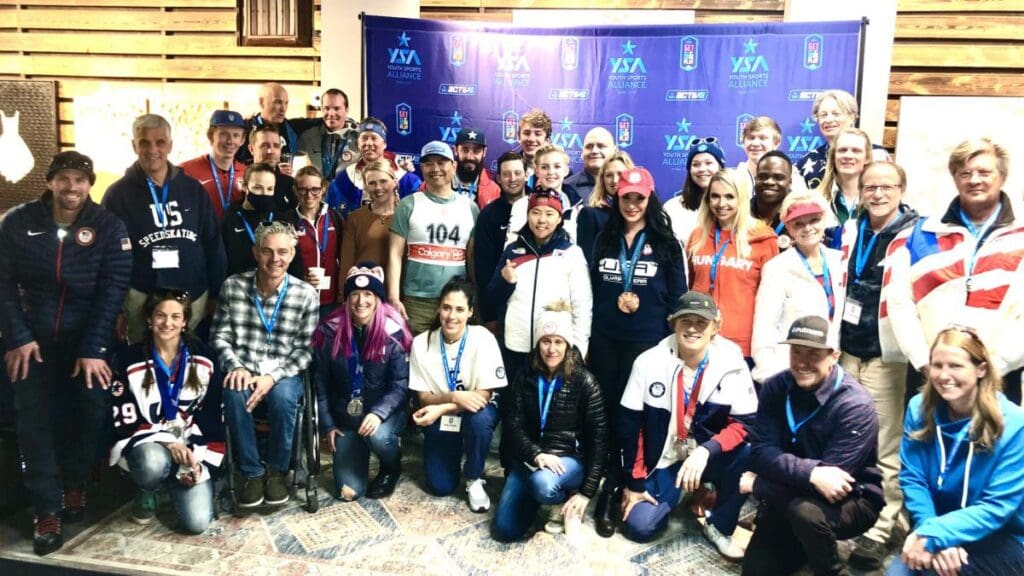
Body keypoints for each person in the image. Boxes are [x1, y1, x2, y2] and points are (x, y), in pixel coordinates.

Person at [0, 151, 132, 555]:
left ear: (90, 185)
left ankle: (74, 484)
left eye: (80, 180)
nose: (72, 187)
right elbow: (2, 284)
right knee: (34, 422)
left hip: (86, 339)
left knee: (89, 411)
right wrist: (18, 337)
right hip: (31, 341)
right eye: (64, 179)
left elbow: (113, 290)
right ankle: (46, 508)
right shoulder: (19, 222)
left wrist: (95, 347)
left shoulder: (108, 226)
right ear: (50, 181)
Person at [882, 137, 1024, 405]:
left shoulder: (1020, 238)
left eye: (984, 172)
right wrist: (926, 364)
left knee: (995, 446)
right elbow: (900, 305)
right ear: (955, 178)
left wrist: (996, 366)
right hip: (930, 376)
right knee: (927, 445)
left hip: (999, 379)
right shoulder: (919, 235)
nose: (974, 180)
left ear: (1002, 176)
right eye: (965, 173)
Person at [741, 315, 883, 576]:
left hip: (852, 499)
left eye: (814, 354)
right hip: (793, 493)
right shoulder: (775, 387)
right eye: (796, 351)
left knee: (806, 514)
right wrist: (812, 473)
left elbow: (831, 490)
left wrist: (760, 485)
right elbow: (759, 453)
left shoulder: (855, 406)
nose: (803, 362)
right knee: (755, 571)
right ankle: (802, 543)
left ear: (834, 356)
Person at [619, 292, 757, 559]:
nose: (693, 328)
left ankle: (720, 524)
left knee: (748, 452)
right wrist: (634, 482)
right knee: (639, 526)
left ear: (715, 327)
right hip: (667, 459)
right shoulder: (648, 362)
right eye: (685, 321)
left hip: (708, 456)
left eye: (701, 322)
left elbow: (747, 424)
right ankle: (685, 491)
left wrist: (707, 450)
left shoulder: (732, 363)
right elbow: (631, 426)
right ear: (673, 324)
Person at [589, 166, 688, 537]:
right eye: (625, 197)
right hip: (605, 342)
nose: (632, 204)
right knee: (609, 415)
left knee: (639, 417)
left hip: (649, 345)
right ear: (616, 199)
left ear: (650, 198)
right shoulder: (604, 238)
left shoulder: (665, 242)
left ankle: (632, 481)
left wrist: (673, 348)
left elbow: (679, 299)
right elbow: (591, 291)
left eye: (639, 198)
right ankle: (607, 484)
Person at [835, 162, 920, 570]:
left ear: (901, 188)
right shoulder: (853, 228)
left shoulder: (916, 233)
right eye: (870, 187)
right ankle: (850, 509)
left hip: (887, 354)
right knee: (848, 433)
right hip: (848, 347)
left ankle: (883, 526)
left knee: (886, 444)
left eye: (887, 186)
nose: (878, 194)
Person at [889, 327, 1024, 576]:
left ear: (981, 369)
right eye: (937, 365)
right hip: (934, 523)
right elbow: (913, 479)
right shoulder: (919, 409)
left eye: (956, 365)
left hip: (1001, 536)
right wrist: (932, 532)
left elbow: (997, 507)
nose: (944, 375)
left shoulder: (1014, 424)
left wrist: (937, 534)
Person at [211, 221, 319, 508]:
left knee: (284, 398)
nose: (275, 259)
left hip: (283, 373)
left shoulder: (306, 294)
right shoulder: (233, 287)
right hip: (243, 368)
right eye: (268, 251)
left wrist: (273, 376)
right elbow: (219, 336)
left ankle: (277, 470)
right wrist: (235, 366)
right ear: (256, 253)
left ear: (293, 254)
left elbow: (306, 350)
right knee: (233, 394)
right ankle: (251, 472)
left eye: (283, 252)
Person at [103, 113, 226, 344]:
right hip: (140, 297)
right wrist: (117, 307)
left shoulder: (193, 190)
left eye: (160, 142)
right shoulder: (117, 195)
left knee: (189, 361)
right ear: (134, 145)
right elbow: (108, 258)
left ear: (170, 145)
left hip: (193, 294)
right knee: (145, 360)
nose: (153, 150)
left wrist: (216, 293)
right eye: (144, 143)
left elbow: (212, 242)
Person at [107, 289, 223, 534]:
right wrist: (170, 444)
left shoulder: (206, 357)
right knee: (152, 464)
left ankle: (175, 480)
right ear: (149, 319)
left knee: (197, 524)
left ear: (184, 322)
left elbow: (212, 415)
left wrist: (196, 463)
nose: (167, 323)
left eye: (175, 316)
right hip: (151, 446)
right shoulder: (128, 358)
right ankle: (149, 487)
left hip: (190, 450)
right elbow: (124, 416)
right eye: (160, 315)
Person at [493, 301, 607, 542]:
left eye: (558, 341)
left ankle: (562, 500)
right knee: (505, 530)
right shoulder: (524, 375)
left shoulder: (585, 381)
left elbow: (599, 438)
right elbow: (513, 424)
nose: (551, 349)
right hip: (532, 460)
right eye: (546, 341)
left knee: (543, 484)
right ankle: (542, 498)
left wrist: (586, 493)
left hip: (568, 461)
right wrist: (536, 454)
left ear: (567, 344)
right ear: (537, 344)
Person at [311, 264, 412, 501]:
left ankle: (391, 466)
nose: (361, 301)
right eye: (354, 294)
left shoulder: (393, 331)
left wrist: (378, 413)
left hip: (383, 414)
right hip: (347, 417)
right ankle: (360, 448)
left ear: (378, 299)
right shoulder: (329, 331)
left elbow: (400, 385)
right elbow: (320, 382)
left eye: (368, 294)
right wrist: (327, 425)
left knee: (378, 436)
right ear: (346, 299)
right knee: (349, 491)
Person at [409, 277, 508, 512]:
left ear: (470, 312)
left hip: (476, 410)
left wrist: (446, 403)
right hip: (443, 416)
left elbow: (482, 396)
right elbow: (423, 398)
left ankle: (474, 477)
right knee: (440, 486)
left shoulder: (483, 337)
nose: (451, 316)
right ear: (438, 308)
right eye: (446, 307)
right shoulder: (421, 343)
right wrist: (455, 397)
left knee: (479, 420)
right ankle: (451, 455)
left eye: (460, 309)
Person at [490, 188, 592, 384]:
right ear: (528, 215)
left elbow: (582, 304)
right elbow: (492, 297)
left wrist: (579, 347)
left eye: (549, 213)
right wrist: (505, 282)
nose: (541, 220)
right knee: (515, 405)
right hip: (516, 345)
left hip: (553, 350)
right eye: (535, 212)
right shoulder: (513, 251)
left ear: (560, 218)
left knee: (550, 408)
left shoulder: (572, 253)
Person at [752, 191, 844, 383]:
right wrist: (771, 375)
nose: (807, 228)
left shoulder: (840, 261)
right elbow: (764, 327)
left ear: (825, 219)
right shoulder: (777, 268)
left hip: (831, 367)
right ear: (788, 227)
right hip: (792, 369)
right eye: (798, 223)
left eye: (814, 220)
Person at [387, 140, 478, 334]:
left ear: (453, 166)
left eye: (441, 162)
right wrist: (394, 297)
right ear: (421, 167)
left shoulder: (470, 207)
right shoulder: (407, 204)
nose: (435, 168)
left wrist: (475, 298)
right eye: (428, 163)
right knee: (416, 359)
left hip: (457, 301)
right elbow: (394, 255)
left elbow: (471, 258)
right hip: (417, 301)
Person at [687, 169, 778, 361]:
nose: (721, 204)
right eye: (715, 196)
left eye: (729, 197)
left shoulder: (764, 239)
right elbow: (691, 284)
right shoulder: (697, 236)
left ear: (742, 199)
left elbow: (771, 299)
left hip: (741, 343)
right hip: (700, 337)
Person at [473, 151, 529, 328]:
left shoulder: (540, 207)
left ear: (527, 175)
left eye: (517, 173)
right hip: (500, 304)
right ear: (498, 178)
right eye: (506, 174)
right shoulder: (488, 215)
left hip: (532, 299)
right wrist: (489, 314)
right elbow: (483, 270)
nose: (512, 179)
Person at [221, 162, 304, 278]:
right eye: (258, 188)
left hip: (277, 290)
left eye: (270, 189)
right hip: (239, 289)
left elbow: (295, 264)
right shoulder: (228, 221)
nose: (264, 194)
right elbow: (220, 263)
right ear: (245, 186)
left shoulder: (283, 221)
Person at [797, 89, 888, 191]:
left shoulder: (876, 154)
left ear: (852, 117)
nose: (829, 120)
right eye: (823, 115)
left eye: (836, 114)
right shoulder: (806, 161)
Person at [327, 117, 422, 215]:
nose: (368, 143)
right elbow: (331, 216)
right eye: (364, 138)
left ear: (384, 144)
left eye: (374, 138)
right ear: (358, 144)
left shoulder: (406, 180)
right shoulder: (344, 179)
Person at [339, 160, 399, 293]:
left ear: (394, 182)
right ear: (365, 187)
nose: (378, 187)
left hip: (399, 297)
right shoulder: (356, 218)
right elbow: (346, 263)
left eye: (383, 181)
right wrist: (343, 298)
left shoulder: (406, 216)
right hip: (363, 294)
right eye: (371, 183)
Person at [293, 165, 343, 317]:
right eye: (303, 189)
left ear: (323, 189)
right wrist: (300, 276)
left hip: (329, 299)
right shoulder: (287, 221)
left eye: (315, 189)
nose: (309, 195)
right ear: (295, 190)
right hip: (298, 298)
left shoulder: (335, 218)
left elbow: (343, 256)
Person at [180, 110, 248, 222]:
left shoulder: (247, 173)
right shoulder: (186, 171)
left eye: (236, 135)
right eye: (223, 134)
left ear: (242, 140)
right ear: (211, 137)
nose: (230, 141)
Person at [575, 150, 634, 267]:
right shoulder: (590, 214)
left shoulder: (640, 214)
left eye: (620, 174)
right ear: (602, 179)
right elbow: (587, 263)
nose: (615, 180)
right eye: (609, 175)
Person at [665, 138, 726, 248]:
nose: (702, 169)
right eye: (696, 164)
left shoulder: (733, 205)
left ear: (720, 167)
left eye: (708, 163)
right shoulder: (672, 207)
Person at [236, 82, 315, 165]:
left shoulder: (292, 128)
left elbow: (324, 121)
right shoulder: (243, 130)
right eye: (278, 102)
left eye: (286, 103)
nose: (283, 108)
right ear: (262, 102)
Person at [296, 88, 358, 183]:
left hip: (347, 196)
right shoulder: (308, 137)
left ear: (347, 110)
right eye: (327, 108)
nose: (331, 113)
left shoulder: (359, 138)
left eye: (337, 108)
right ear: (321, 109)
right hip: (316, 195)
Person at [817, 127, 873, 227]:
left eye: (856, 151)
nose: (848, 156)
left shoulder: (878, 199)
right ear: (833, 156)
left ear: (867, 158)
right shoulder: (816, 199)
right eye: (842, 150)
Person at [751, 151, 795, 249]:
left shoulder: (801, 217)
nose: (769, 182)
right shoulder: (740, 213)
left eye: (778, 178)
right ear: (755, 179)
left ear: (790, 182)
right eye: (763, 176)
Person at [248, 126, 297, 212]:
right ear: (251, 149)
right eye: (264, 145)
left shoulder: (290, 184)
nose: (271, 151)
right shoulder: (241, 181)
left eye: (276, 146)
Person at [563, 127, 616, 203]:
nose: (594, 151)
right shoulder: (566, 188)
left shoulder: (627, 186)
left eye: (601, 146)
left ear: (615, 151)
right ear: (582, 152)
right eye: (589, 147)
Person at [452, 127, 500, 208]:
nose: (470, 157)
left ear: (484, 152)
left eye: (476, 151)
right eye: (465, 150)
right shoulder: (435, 182)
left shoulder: (494, 190)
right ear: (456, 150)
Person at [517, 108, 552, 178]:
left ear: (547, 140)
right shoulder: (509, 167)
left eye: (538, 134)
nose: (531, 139)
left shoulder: (559, 172)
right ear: (518, 137)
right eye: (526, 133)